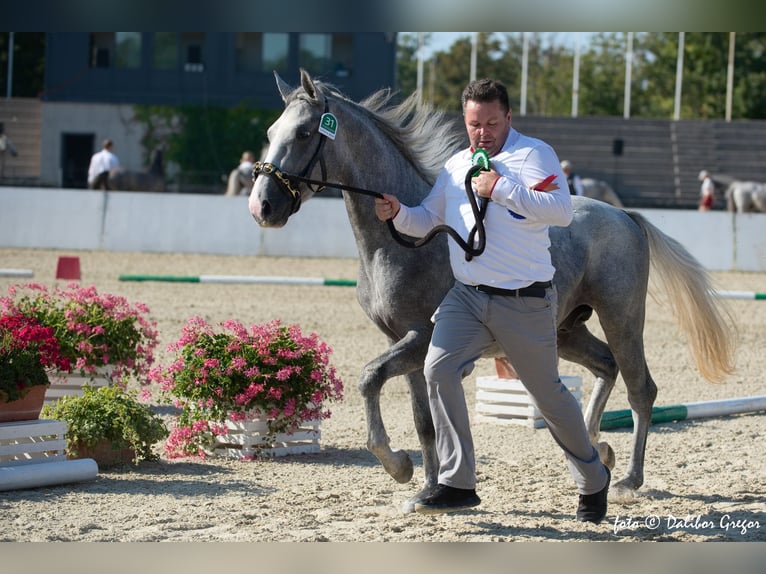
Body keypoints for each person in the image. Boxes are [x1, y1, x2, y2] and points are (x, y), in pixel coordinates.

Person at [374, 78, 610, 522]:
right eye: (473, 124)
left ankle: (593, 479)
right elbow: (427, 218)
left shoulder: (533, 154)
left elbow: (560, 211)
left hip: (526, 300)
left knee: (549, 398)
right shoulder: (456, 164)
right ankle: (456, 482)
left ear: (509, 118)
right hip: (467, 297)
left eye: (491, 123)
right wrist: (398, 213)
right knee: (437, 369)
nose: (482, 132)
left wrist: (500, 188)